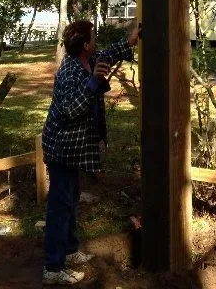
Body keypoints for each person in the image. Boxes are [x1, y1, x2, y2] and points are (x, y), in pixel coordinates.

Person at [41, 18, 140, 285]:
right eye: (93, 36)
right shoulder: (70, 72)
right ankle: (53, 267)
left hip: (72, 148)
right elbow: (71, 109)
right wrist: (94, 83)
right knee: (60, 207)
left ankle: (70, 250)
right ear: (85, 44)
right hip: (61, 147)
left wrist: (130, 39)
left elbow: (107, 54)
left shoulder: (89, 58)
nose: (96, 39)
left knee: (71, 198)